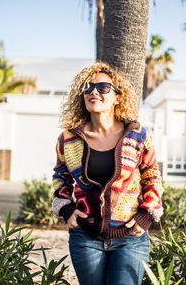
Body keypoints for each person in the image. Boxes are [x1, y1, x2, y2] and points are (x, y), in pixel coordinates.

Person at [52, 62, 163, 285]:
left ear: (117, 98)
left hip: (130, 237)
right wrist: (67, 208)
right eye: (88, 87)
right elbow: (60, 178)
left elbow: (152, 176)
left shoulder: (137, 135)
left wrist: (147, 215)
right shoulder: (69, 139)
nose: (94, 91)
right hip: (85, 237)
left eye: (103, 87)